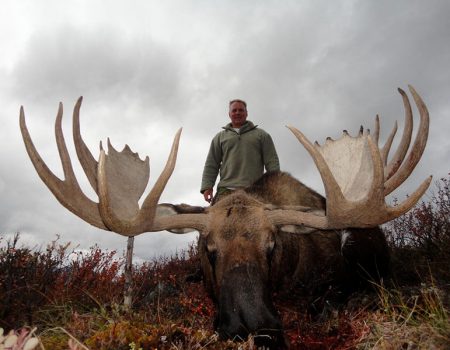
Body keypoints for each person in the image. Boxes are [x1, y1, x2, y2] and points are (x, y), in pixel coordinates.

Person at [200, 99, 280, 204]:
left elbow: (271, 161)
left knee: (261, 219)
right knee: (215, 218)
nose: (237, 113)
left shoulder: (262, 135)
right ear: (229, 114)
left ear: (246, 113)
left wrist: (276, 185)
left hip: (255, 191)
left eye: (241, 110)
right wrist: (207, 187)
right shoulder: (219, 137)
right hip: (225, 190)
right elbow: (212, 164)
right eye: (234, 110)